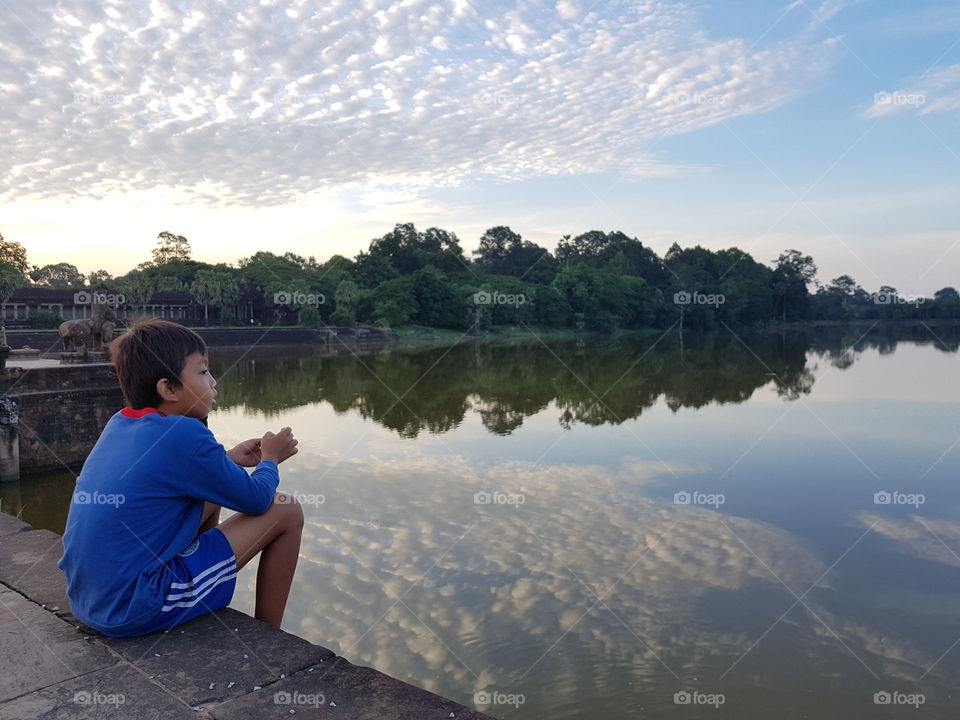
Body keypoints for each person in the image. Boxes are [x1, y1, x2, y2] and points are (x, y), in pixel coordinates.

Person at [58, 317, 302, 637]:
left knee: (209, 491)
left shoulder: (121, 423)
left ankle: (195, 571)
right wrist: (271, 459)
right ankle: (270, 636)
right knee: (285, 508)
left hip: (90, 600)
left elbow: (163, 477)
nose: (213, 383)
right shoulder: (185, 433)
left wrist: (225, 460)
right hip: (137, 606)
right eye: (202, 372)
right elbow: (257, 500)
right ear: (168, 388)